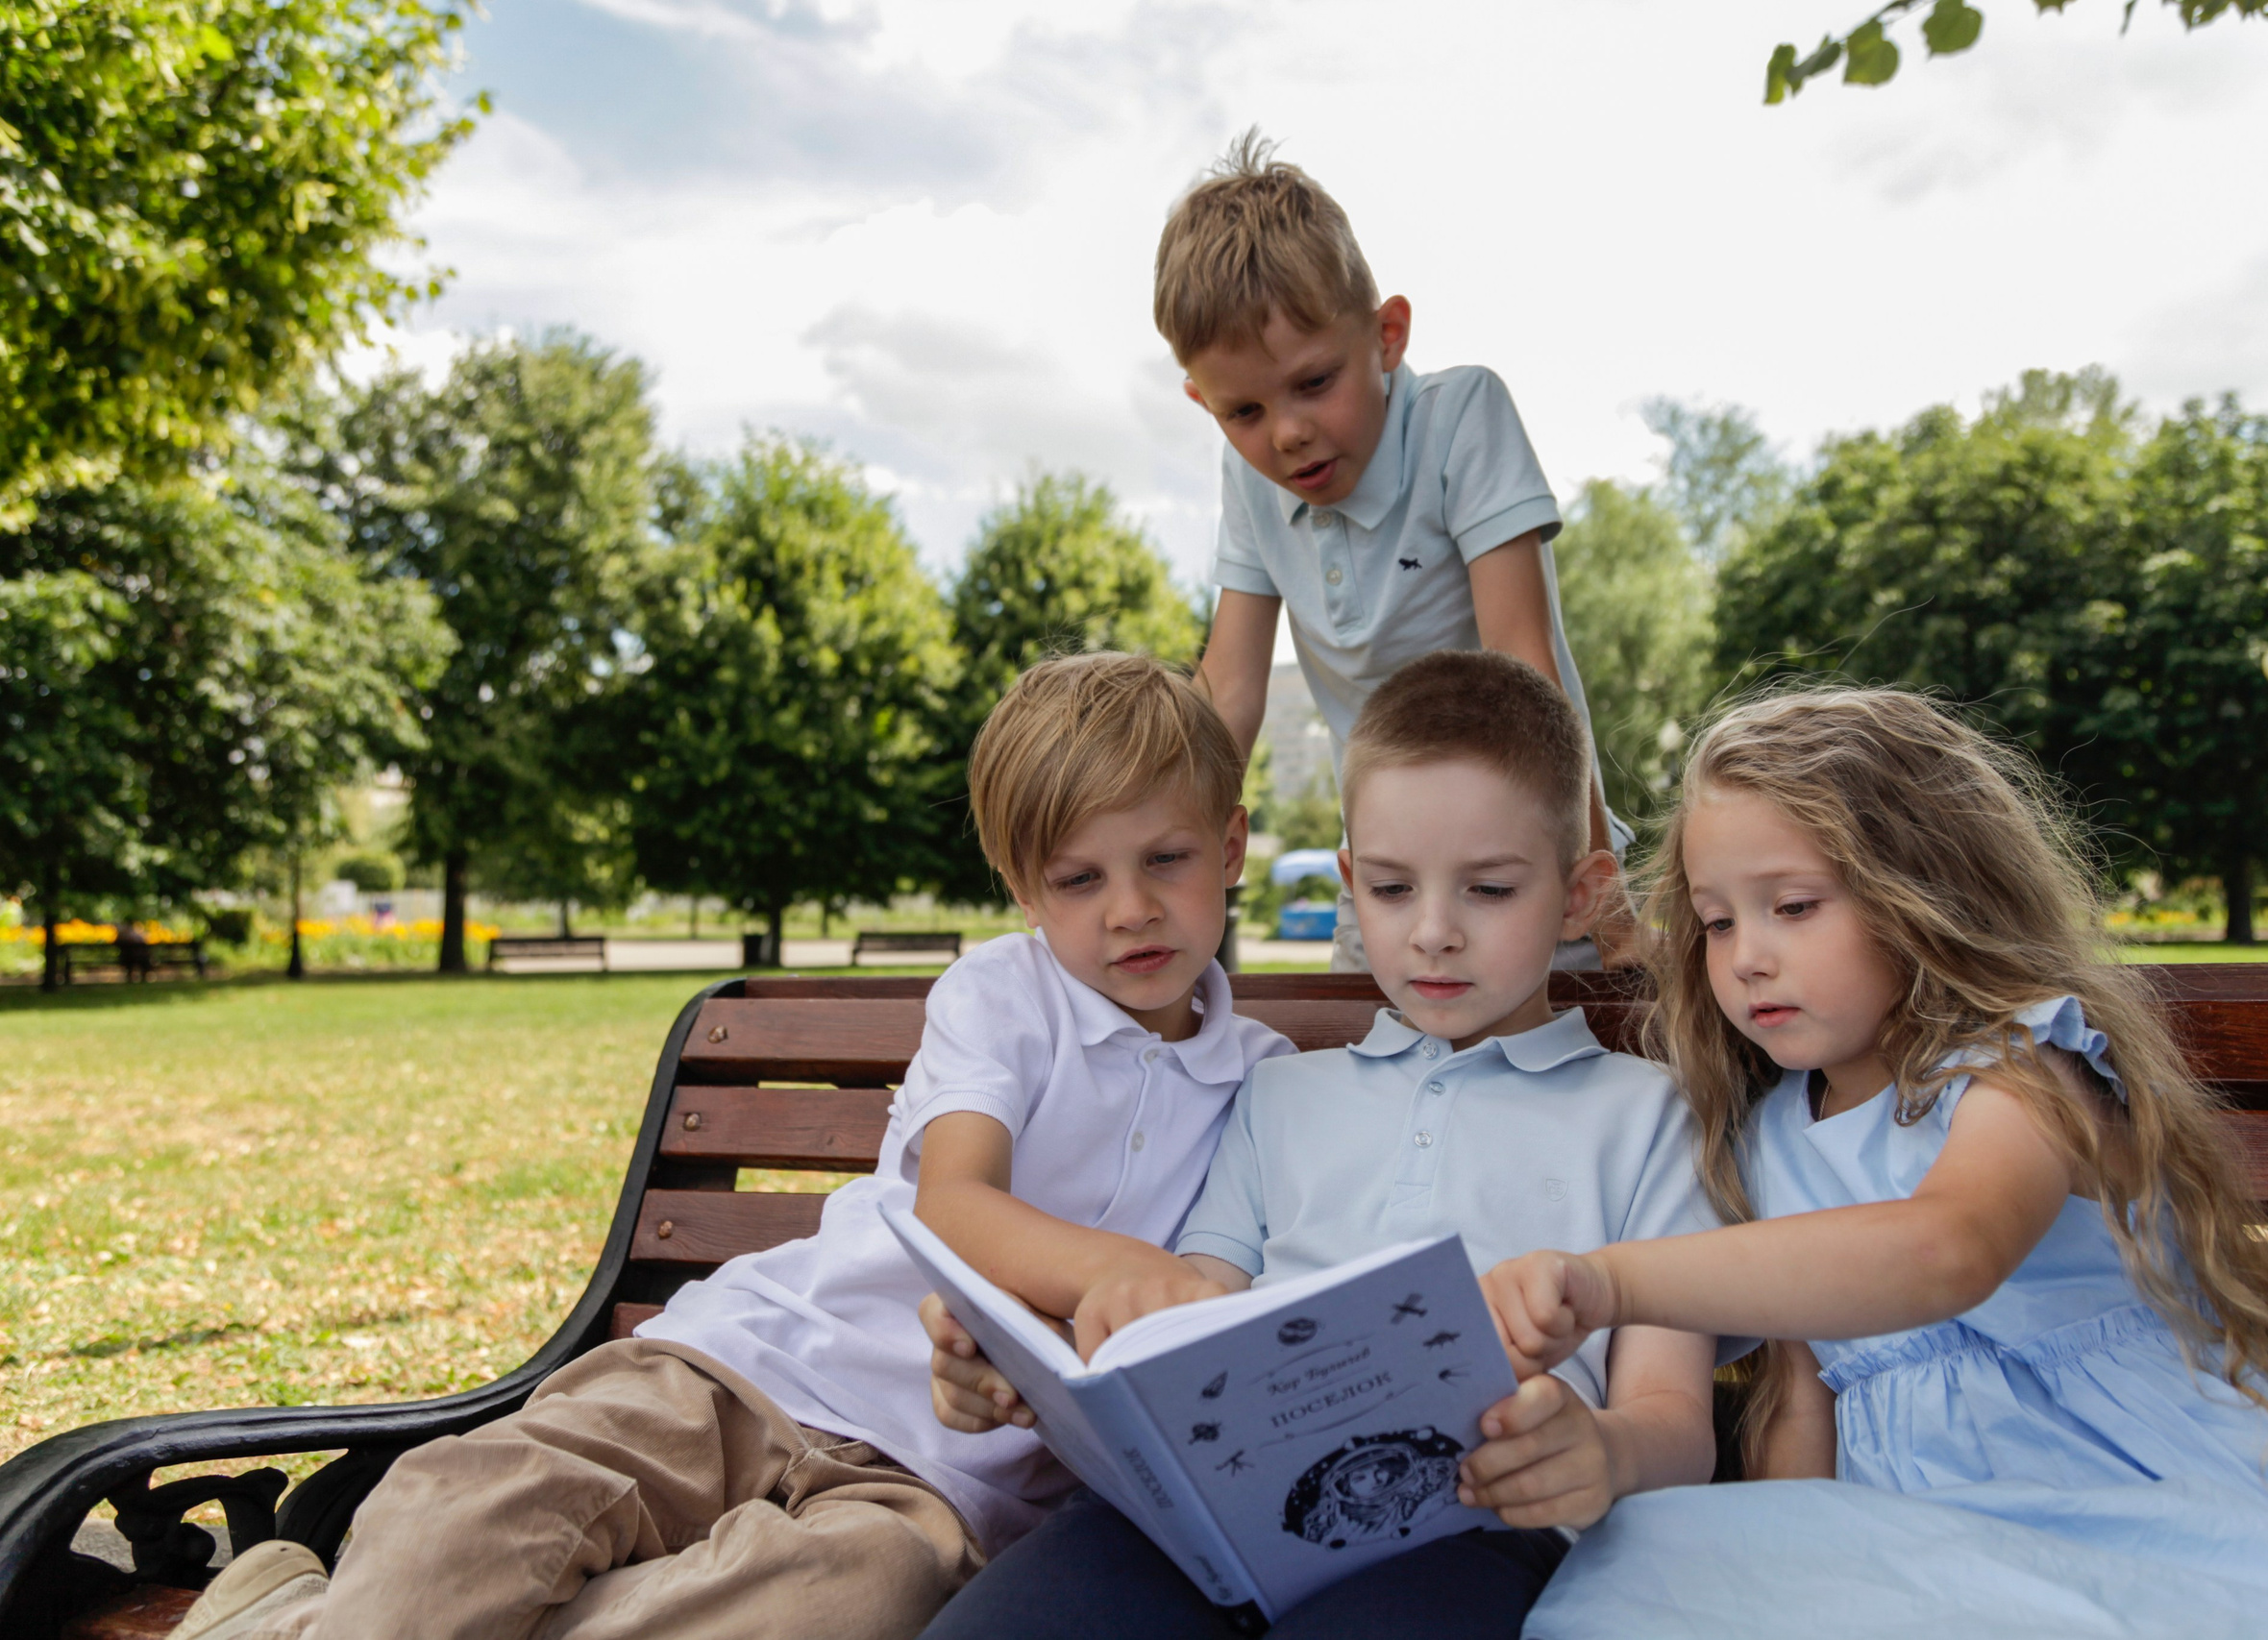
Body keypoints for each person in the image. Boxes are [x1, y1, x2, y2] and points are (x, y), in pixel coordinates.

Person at [168, 652, 1293, 1640]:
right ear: (1019, 890)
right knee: (472, 1505)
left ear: (1233, 845)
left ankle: (294, 1625)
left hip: (936, 1483)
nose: (1130, 910)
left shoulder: (1265, 1078)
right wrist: (1118, 1272)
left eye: (1166, 860)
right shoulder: (1003, 994)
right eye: (1079, 879)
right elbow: (954, 1201)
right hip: (755, 1364)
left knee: (858, 1604)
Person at [1480, 685, 2268, 1640]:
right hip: (1916, 1542)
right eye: (1719, 920)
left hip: (2120, 1502)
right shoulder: (1770, 1134)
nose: (1745, 958)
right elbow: (1799, 1404)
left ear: (1920, 893)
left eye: (1791, 906)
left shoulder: (2022, 1072)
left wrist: (1610, 1281)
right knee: (1665, 1583)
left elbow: (1944, 1248)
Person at [917, 650, 1724, 1640]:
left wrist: (1605, 1451)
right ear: (1350, 883)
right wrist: (1025, 1363)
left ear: (1579, 892)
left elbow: (1677, 1425)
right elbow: (1184, 1316)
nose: (1432, 934)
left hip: (1471, 1522)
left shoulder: (1646, 1118)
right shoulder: (1280, 1095)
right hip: (1205, 1518)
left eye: (1488, 890)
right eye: (1391, 890)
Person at [1160, 132, 1634, 970]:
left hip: (1521, 864)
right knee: (1377, 1084)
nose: (1289, 433)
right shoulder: (1252, 484)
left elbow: (1526, 666)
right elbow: (1229, 694)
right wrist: (1152, 862)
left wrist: (1604, 900)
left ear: (1387, 335)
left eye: (1314, 383)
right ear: (1201, 401)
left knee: (1554, 1083)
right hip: (1381, 878)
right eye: (1245, 413)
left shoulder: (1461, 421)